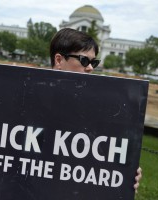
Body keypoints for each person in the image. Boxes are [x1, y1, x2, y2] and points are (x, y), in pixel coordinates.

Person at [49, 27, 142, 192]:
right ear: (59, 60)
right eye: (84, 60)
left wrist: (124, 177)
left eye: (94, 62)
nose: (91, 68)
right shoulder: (25, 99)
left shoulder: (104, 109)